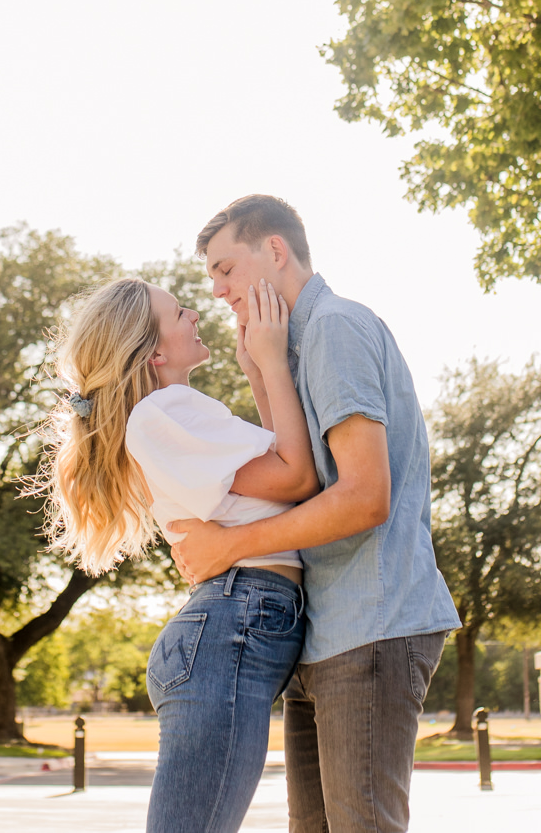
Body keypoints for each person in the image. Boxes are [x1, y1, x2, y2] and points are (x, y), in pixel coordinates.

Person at [171, 194, 460, 833]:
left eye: (225, 269)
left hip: (373, 623)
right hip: (325, 632)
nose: (217, 291)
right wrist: (259, 369)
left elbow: (364, 495)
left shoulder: (334, 328)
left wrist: (227, 547)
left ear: (275, 251)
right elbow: (296, 483)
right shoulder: (298, 347)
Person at [35, 274, 318, 833]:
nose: (195, 313)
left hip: (238, 623)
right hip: (234, 626)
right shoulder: (166, 412)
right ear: (155, 351)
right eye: (179, 311)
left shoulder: (173, 413)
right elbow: (298, 475)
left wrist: (259, 371)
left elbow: (279, 465)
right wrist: (272, 362)